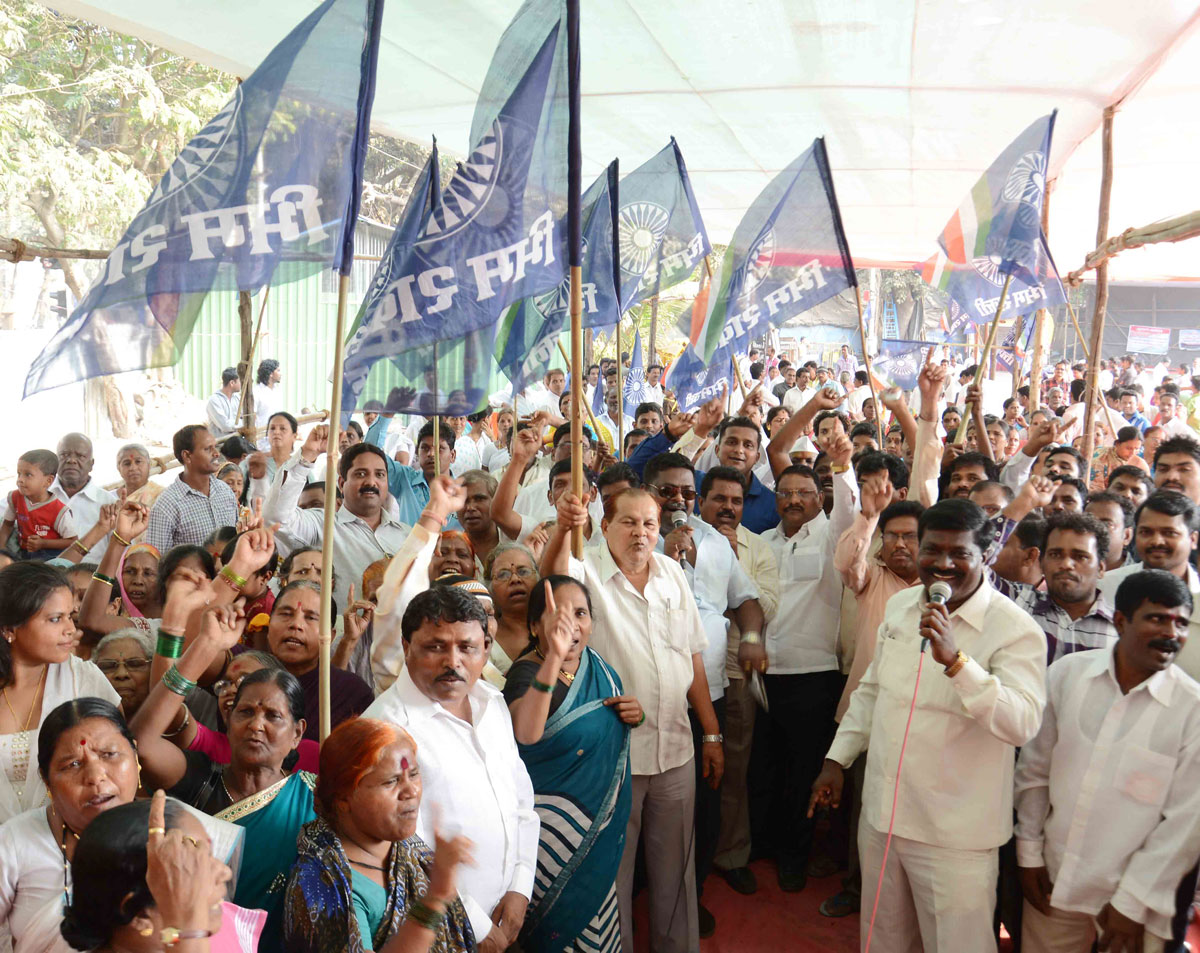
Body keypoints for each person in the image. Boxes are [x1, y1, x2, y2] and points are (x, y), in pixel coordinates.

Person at [810, 498, 1047, 953]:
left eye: (959, 553)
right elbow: (873, 690)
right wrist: (837, 760)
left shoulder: (1014, 629)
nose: (943, 564)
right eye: (932, 549)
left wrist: (958, 663)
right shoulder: (901, 606)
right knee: (883, 940)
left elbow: (1022, 723)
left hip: (954, 836)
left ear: (986, 554)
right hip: (883, 818)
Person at [543, 487, 719, 953]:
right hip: (614, 758)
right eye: (628, 522)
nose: (640, 533)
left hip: (676, 749)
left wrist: (712, 733)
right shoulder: (585, 570)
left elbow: (693, 656)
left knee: (677, 874)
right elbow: (552, 578)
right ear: (604, 527)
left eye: (649, 524)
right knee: (611, 877)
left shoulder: (672, 573)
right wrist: (563, 527)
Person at [1015, 570, 1200, 953]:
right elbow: (1034, 771)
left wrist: (1132, 903)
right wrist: (1028, 854)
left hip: (1137, 901)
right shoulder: (1068, 675)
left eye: (1181, 623)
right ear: (1120, 620)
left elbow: (1185, 823)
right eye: (1156, 618)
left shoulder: (1192, 709)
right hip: (1055, 879)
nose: (1171, 633)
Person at [364, 587, 539, 953]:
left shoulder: (492, 703)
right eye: (436, 646)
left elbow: (521, 801)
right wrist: (475, 924)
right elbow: (402, 850)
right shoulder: (386, 729)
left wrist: (521, 886)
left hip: (505, 915)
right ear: (407, 646)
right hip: (435, 932)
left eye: (466, 647)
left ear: (486, 649)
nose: (453, 661)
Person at [134, 604, 315, 948]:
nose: (256, 725)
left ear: (297, 733)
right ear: (229, 722)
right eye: (245, 712)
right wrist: (203, 646)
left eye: (273, 716)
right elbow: (142, 744)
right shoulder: (201, 779)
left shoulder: (315, 799)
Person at [503, 576, 638, 952]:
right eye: (558, 615)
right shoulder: (526, 673)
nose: (571, 624)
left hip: (597, 834)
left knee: (597, 926)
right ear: (535, 627)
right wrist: (554, 658)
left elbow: (609, 727)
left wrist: (634, 714)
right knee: (557, 930)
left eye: (580, 613)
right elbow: (526, 733)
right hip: (551, 842)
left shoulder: (598, 667)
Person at [282, 718, 477, 953]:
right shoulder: (322, 882)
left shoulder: (410, 850)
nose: (411, 791)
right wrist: (435, 899)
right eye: (391, 781)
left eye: (414, 774)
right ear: (343, 798)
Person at [0, 698, 140, 953]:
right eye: (73, 764)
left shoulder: (179, 830)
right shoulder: (13, 844)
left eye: (109, 754)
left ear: (135, 755)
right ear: (46, 780)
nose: (95, 777)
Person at [0, 563, 120, 823]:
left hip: (73, 834)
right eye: (55, 619)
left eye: (70, 616)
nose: (70, 629)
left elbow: (121, 761)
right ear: (9, 629)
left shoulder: (84, 680)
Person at [61, 792, 247, 953]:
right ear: (141, 914)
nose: (224, 872)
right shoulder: (192, 938)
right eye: (193, 865)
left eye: (210, 855)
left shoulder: (223, 936)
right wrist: (188, 930)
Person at [266, 428, 413, 614]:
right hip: (344, 632)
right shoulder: (322, 525)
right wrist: (307, 456)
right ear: (342, 484)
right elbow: (276, 517)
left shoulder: (406, 534)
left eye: (379, 475)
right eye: (361, 474)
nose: (371, 482)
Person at [1099, 491, 1200, 680]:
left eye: (1169, 533)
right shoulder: (1103, 589)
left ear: (1193, 539)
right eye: (1146, 532)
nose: (1156, 541)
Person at [266, 581, 374, 741]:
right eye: (286, 614)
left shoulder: (352, 694)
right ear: (268, 623)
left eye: (311, 618)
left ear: (330, 636)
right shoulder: (245, 674)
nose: (296, 625)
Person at [145, 425, 239, 555]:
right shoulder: (167, 505)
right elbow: (155, 559)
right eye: (207, 449)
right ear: (187, 456)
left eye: (215, 447)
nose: (216, 453)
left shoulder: (225, 491)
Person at [51, 434, 119, 563]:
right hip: (43, 574)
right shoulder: (37, 495)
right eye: (64, 455)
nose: (71, 460)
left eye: (80, 456)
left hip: (91, 575)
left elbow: (121, 553)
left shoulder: (108, 503)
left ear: (91, 464)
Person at [1, 449, 76, 560]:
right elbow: (7, 525)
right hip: (23, 552)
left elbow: (73, 541)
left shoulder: (59, 511)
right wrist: (2, 549)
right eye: (19, 474)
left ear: (48, 481)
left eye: (28, 475)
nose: (20, 480)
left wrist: (44, 543)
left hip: (49, 556)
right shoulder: (16, 498)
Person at [93, 629, 154, 718]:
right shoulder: (79, 721)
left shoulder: (171, 720)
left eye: (134, 664)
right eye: (108, 666)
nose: (121, 674)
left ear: (152, 669)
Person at [1084, 491, 1136, 571]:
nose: (1094, 528)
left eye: (1106, 524)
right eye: (1088, 522)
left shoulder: (1140, 576)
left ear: (1127, 536)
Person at [117, 443, 165, 513]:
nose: (133, 468)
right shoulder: (108, 498)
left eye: (138, 462)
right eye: (127, 463)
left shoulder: (163, 496)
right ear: (119, 468)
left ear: (149, 465)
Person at [252, 359, 284, 448]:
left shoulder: (278, 391)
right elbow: (252, 416)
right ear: (270, 374)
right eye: (278, 371)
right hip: (262, 440)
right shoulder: (256, 392)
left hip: (278, 436)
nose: (281, 374)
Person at [207, 367, 242, 439]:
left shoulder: (237, 397)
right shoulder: (214, 400)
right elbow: (225, 426)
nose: (242, 384)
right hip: (221, 443)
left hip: (236, 440)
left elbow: (245, 415)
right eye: (240, 381)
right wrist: (244, 423)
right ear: (232, 383)